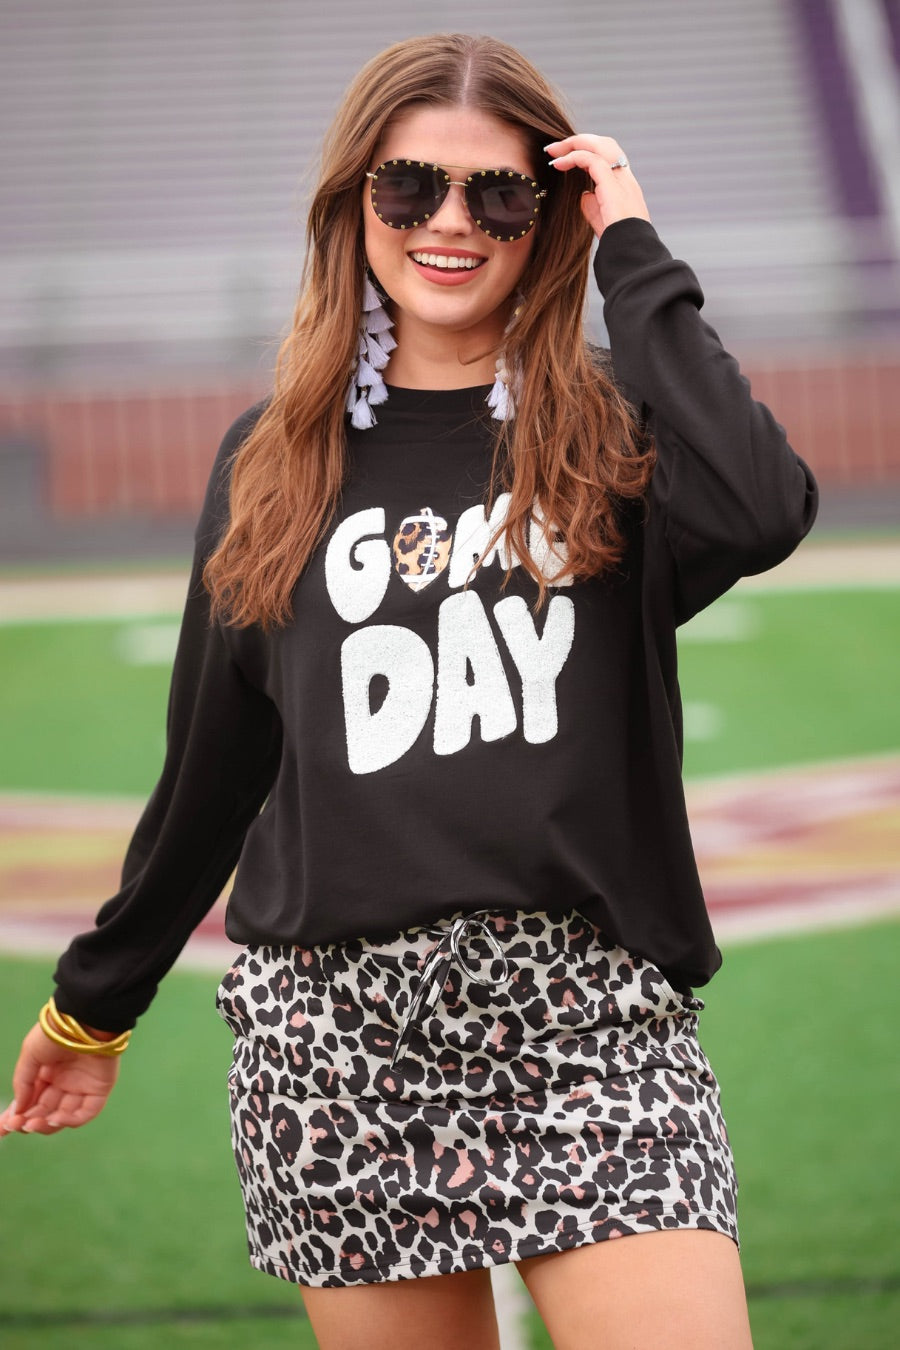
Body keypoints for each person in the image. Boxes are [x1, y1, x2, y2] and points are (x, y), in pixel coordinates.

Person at [0, 32, 817, 1350]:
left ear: (548, 214)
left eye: (499, 192)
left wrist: (637, 260)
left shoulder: (608, 436)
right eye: (408, 188)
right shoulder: (271, 460)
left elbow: (768, 504)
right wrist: (93, 1001)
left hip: (590, 1020)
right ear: (354, 205)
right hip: (340, 1032)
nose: (452, 222)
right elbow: (214, 764)